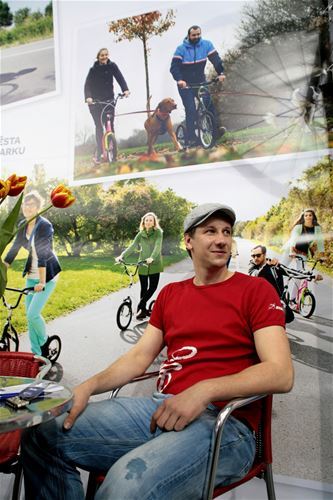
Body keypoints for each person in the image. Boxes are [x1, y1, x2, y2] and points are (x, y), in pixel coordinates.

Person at [21, 203, 293, 500]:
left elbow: (280, 373)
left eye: (227, 232)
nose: (222, 239)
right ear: (188, 241)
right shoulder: (171, 294)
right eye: (210, 231)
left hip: (224, 426)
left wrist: (202, 391)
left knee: (124, 487)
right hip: (158, 410)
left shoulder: (255, 290)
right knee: (42, 432)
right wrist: (88, 386)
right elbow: (138, 358)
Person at [4, 191, 61, 357]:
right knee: (30, 318)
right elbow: (14, 248)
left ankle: (44, 342)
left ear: (38, 207)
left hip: (47, 275)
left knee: (33, 313)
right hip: (31, 274)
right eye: (25, 204)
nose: (26, 207)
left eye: (30, 204)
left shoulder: (44, 225)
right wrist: (3, 268)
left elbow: (43, 254)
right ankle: (36, 354)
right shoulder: (23, 223)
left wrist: (42, 282)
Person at [170, 25, 225, 147]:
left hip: (200, 81)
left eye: (198, 34)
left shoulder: (206, 45)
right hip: (185, 84)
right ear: (189, 35)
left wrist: (220, 73)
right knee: (191, 110)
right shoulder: (181, 49)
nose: (196, 37)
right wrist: (179, 80)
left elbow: (216, 59)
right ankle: (192, 138)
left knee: (208, 105)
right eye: (194, 35)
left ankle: (215, 132)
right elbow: (174, 68)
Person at [84, 48, 130, 165]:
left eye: (106, 55)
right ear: (98, 57)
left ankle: (113, 153)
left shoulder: (112, 66)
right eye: (101, 55)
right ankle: (99, 154)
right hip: (96, 102)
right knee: (99, 127)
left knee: (110, 125)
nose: (104, 57)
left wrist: (125, 89)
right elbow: (87, 85)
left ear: (108, 55)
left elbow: (120, 77)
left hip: (109, 99)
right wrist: (88, 97)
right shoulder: (93, 70)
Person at [116, 212, 163, 320]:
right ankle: (143, 311)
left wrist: (152, 257)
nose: (148, 222)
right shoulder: (140, 234)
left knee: (152, 287)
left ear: (154, 222)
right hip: (142, 263)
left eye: (151, 220)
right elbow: (132, 246)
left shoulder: (158, 232)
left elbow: (157, 246)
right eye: (146, 220)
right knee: (143, 287)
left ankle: (140, 306)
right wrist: (122, 256)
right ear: (143, 222)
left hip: (154, 263)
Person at [248, 245, 294, 323]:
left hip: (276, 298)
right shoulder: (252, 265)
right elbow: (255, 274)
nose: (255, 258)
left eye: (258, 255)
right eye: (253, 256)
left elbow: (289, 271)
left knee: (289, 317)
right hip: (260, 301)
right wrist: (266, 265)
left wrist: (311, 276)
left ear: (264, 255)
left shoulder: (273, 265)